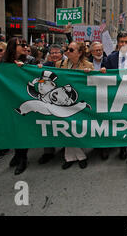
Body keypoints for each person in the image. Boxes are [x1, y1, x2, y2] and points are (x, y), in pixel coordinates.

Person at [0, 37, 37, 175]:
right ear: (12, 47)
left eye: (25, 44)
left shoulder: (30, 60)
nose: (24, 46)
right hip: (10, 99)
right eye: (20, 45)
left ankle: (23, 158)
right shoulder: (3, 62)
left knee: (23, 128)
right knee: (13, 127)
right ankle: (17, 154)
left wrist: (26, 68)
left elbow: (34, 76)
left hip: (24, 99)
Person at [102, 32, 127, 166]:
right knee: (119, 123)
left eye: (126, 42)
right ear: (118, 43)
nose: (123, 44)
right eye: (121, 42)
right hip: (116, 97)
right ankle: (122, 148)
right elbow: (104, 77)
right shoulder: (110, 58)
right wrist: (103, 71)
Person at [56, 42, 93, 170]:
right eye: (67, 49)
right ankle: (77, 156)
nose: (68, 51)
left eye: (71, 49)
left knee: (76, 128)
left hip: (79, 100)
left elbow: (95, 82)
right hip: (63, 102)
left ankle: (74, 156)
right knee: (67, 127)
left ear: (79, 52)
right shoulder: (59, 64)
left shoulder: (88, 65)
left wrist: (91, 73)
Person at [36, 44, 65, 165]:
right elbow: (38, 78)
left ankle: (65, 147)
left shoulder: (67, 64)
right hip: (47, 101)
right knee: (47, 124)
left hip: (62, 100)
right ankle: (48, 151)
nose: (54, 55)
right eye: (52, 53)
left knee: (63, 124)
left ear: (62, 54)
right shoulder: (45, 66)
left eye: (57, 52)